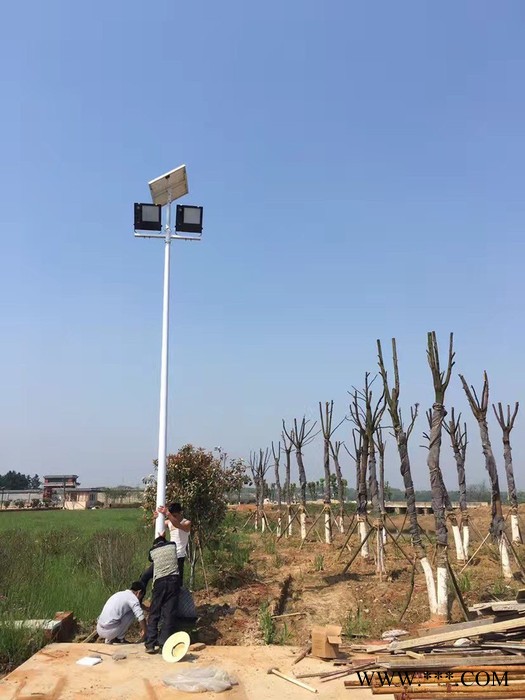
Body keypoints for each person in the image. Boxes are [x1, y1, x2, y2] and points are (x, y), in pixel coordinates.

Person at [144, 534, 181, 654]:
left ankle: (150, 644)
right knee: (169, 614)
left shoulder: (152, 551)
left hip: (159, 582)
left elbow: (150, 560)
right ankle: (164, 643)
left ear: (155, 545)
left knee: (154, 613)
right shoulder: (172, 545)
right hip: (174, 581)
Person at [160, 503, 191, 581]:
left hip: (179, 556)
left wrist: (168, 514)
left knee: (177, 581)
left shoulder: (187, 523)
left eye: (175, 516)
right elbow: (157, 524)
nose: (173, 518)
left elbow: (178, 525)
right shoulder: (170, 522)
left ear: (180, 513)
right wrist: (157, 517)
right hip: (170, 554)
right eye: (172, 516)